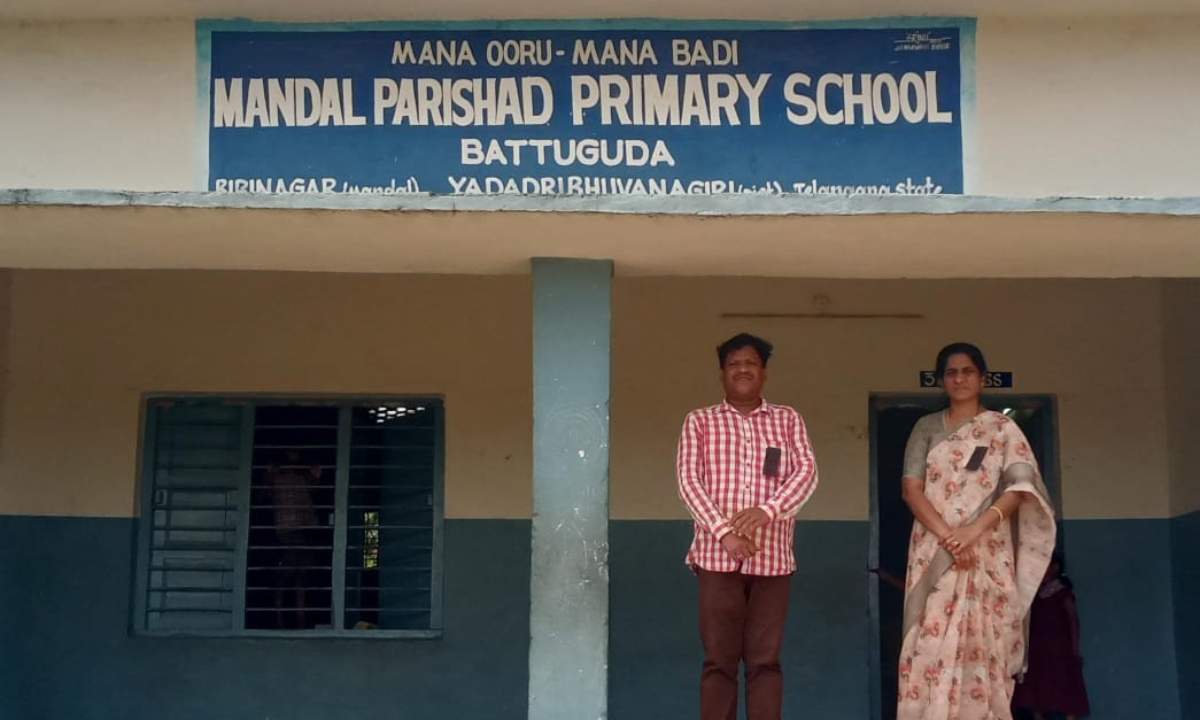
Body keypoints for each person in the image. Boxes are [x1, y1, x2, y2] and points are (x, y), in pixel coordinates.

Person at [897, 342, 1056, 720]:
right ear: (941, 381)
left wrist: (974, 531)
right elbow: (911, 489)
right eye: (951, 373)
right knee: (928, 642)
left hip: (986, 552)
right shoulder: (925, 428)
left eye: (967, 371)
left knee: (987, 643)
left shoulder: (1003, 428)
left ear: (982, 378)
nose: (959, 378)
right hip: (934, 551)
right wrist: (950, 537)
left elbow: (1021, 488)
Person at [676, 333, 819, 720]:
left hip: (772, 561)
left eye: (751, 363)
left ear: (764, 373)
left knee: (765, 662)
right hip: (715, 559)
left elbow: (807, 473)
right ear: (722, 373)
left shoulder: (788, 420)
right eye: (734, 363)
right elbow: (689, 482)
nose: (742, 369)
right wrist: (726, 533)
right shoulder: (700, 422)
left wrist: (767, 512)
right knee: (719, 662)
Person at [1012, 552, 1091, 720]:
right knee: (1036, 688)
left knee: (1067, 687)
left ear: (1055, 568)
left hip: (1059, 650)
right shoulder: (1034, 596)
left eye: (1045, 566)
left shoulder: (1063, 593)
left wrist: (1074, 650)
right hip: (1038, 650)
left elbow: (1073, 622)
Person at [265, 450, 323, 629]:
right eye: (290, 458)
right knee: (286, 577)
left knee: (301, 577)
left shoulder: (301, 478)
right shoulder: (276, 477)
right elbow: (265, 490)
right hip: (288, 532)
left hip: (303, 530)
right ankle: (281, 621)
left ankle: (299, 621)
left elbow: (315, 481)